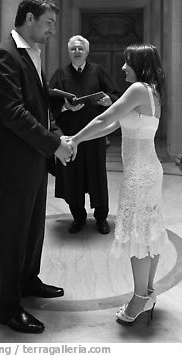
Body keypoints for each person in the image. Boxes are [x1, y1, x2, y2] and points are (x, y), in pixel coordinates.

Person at [0, 0, 74, 334]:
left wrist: (58, 111)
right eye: (49, 23)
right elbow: (14, 115)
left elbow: (35, 104)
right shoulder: (2, 56)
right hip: (13, 165)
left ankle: (27, 280)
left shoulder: (32, 53)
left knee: (33, 230)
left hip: (33, 161)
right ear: (30, 18)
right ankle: (7, 308)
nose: (52, 30)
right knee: (12, 236)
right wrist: (54, 145)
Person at [69, 43, 169, 325]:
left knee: (139, 233)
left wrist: (73, 139)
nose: (123, 67)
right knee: (148, 230)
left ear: (139, 63)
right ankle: (147, 293)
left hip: (140, 173)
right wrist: (78, 140)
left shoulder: (138, 89)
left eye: (127, 62)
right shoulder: (151, 90)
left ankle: (138, 300)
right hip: (149, 169)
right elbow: (111, 125)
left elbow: (104, 118)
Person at [49, 35, 120, 234]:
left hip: (95, 135)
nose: (77, 52)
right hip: (70, 137)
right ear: (69, 52)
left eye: (80, 49)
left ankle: (101, 218)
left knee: (97, 176)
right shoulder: (60, 74)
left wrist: (108, 100)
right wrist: (65, 107)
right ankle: (78, 217)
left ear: (87, 52)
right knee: (73, 177)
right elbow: (50, 101)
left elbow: (115, 94)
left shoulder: (98, 71)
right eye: (73, 49)